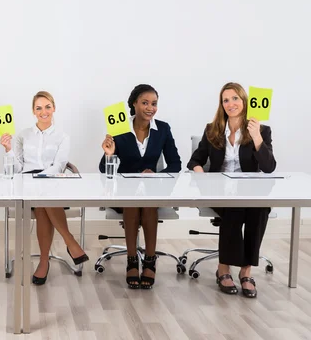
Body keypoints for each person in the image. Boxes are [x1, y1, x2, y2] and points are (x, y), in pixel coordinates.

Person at [188, 82, 276, 298]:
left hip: (249, 191)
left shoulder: (262, 130)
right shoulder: (212, 129)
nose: (231, 104)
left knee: (259, 208)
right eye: (226, 100)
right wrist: (202, 175)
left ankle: (246, 271)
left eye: (235, 98)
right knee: (234, 208)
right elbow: (195, 160)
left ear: (244, 101)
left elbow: (269, 167)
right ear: (222, 104)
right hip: (218, 191)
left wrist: (256, 137)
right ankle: (224, 268)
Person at [0, 91, 88, 285]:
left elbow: (59, 165)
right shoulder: (23, 135)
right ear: (33, 111)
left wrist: (43, 179)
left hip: (53, 182)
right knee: (41, 200)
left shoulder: (62, 136)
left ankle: (43, 262)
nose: (44, 111)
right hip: (27, 184)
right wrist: (8, 150)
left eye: (47, 107)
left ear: (54, 108)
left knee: (43, 204)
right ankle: (70, 241)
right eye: (39, 108)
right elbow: (17, 168)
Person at [98, 84, 181, 289]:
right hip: (124, 193)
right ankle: (132, 260)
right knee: (133, 203)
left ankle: (150, 261)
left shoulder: (163, 129)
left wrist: (156, 175)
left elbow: (176, 164)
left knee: (148, 204)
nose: (150, 108)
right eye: (145, 103)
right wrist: (109, 154)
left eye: (154, 104)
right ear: (133, 103)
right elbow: (103, 169)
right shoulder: (120, 128)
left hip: (151, 191)